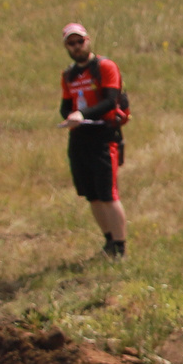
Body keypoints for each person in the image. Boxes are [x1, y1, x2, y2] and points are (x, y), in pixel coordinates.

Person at [57, 23, 129, 259]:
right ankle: (109, 242)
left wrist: (82, 115)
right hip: (79, 138)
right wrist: (71, 117)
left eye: (80, 41)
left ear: (88, 40)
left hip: (103, 136)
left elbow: (110, 100)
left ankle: (120, 248)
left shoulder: (105, 67)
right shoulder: (68, 75)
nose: (77, 46)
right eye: (71, 43)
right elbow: (65, 105)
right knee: (92, 195)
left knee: (108, 194)